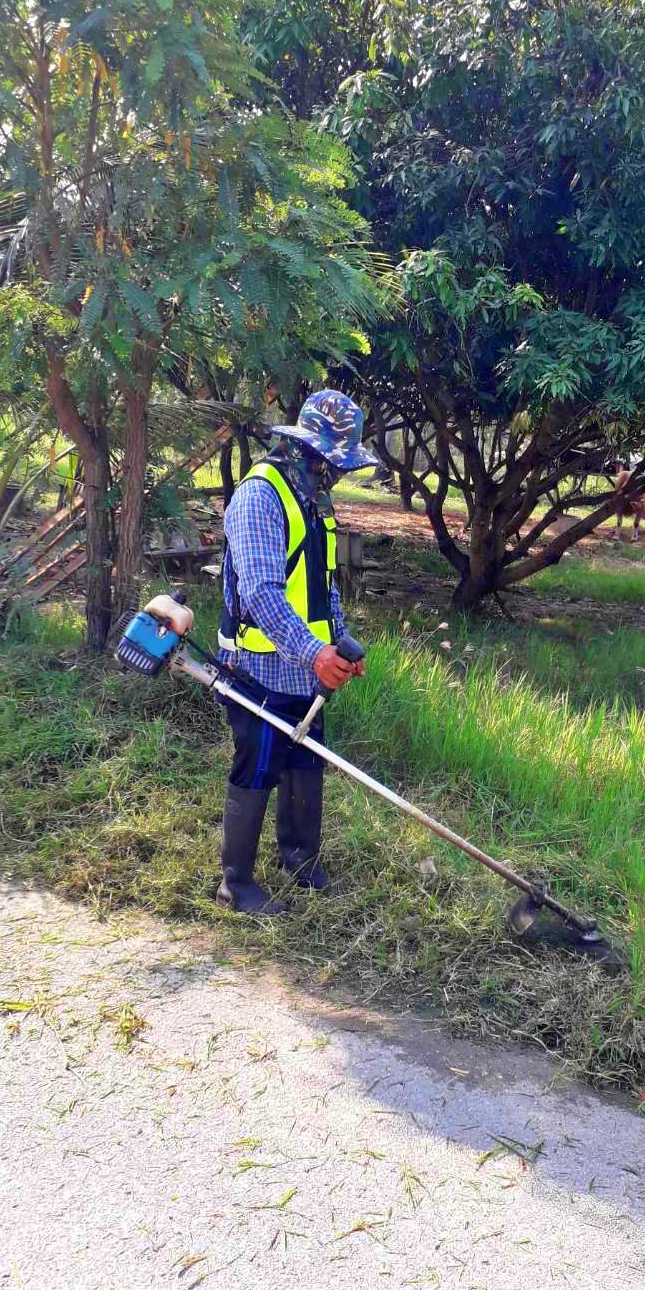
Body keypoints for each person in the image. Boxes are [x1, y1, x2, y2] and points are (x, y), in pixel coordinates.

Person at [216, 390, 378, 915]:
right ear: (302, 450)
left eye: (337, 465)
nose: (331, 473)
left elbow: (323, 585)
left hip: (306, 668)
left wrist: (339, 644)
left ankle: (301, 861)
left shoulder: (314, 501)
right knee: (258, 766)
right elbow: (262, 592)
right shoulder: (260, 497)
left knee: (306, 760)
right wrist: (313, 654)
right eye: (326, 462)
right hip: (259, 665)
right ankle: (236, 884)